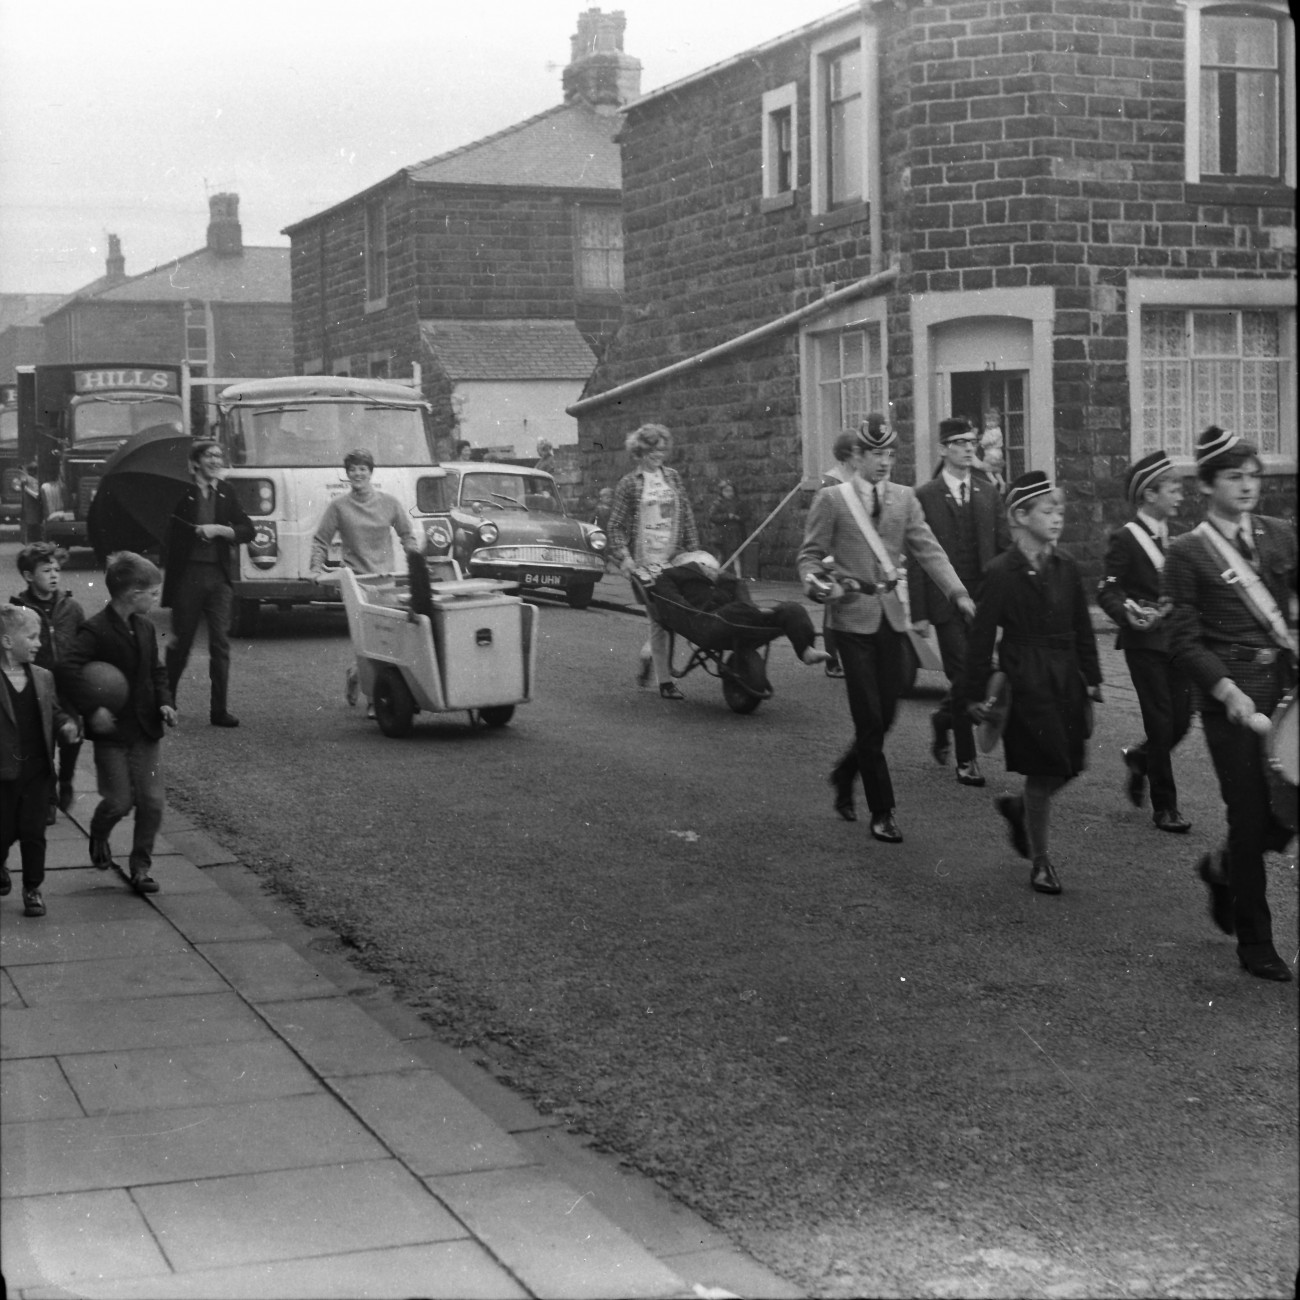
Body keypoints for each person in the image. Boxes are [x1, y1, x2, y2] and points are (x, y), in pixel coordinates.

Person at [797, 416, 976, 844]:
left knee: (887, 714)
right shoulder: (833, 500)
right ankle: (883, 810)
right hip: (852, 621)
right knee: (868, 716)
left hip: (892, 619)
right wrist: (818, 584)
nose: (884, 462)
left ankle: (844, 773)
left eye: (890, 453)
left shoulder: (905, 498)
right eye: (876, 453)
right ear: (856, 456)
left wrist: (959, 594)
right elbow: (809, 556)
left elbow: (929, 551)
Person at [1164, 426, 1297, 983]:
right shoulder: (1187, 552)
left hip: (1288, 699)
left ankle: (1221, 869)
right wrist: (1227, 691)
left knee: (1288, 816)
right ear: (1207, 485)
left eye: (1253, 477)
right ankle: (1255, 940)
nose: (1247, 487)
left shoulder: (1282, 533)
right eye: (1233, 477)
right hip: (1232, 703)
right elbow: (1184, 640)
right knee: (1246, 816)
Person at [962, 473, 1103, 895]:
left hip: (1066, 679)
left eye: (1060, 510)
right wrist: (973, 693)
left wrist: (1093, 678)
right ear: (1020, 517)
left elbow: (1082, 627)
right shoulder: (1001, 572)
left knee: (1071, 762)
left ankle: (1021, 806)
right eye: (1047, 510)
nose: (1057, 518)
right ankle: (1041, 861)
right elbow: (982, 636)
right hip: (1026, 681)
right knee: (1045, 768)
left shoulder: (1067, 567)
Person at [61, 552, 177, 896]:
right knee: (118, 802)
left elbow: (156, 670)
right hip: (112, 732)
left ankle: (140, 868)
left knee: (153, 802)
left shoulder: (144, 626)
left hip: (145, 729)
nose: (156, 599)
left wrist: (166, 702)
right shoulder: (95, 630)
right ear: (131, 593)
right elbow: (65, 667)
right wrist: (92, 706)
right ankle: (98, 832)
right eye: (152, 593)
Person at [909, 417, 1011, 789]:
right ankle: (967, 760)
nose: (970, 448)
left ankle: (943, 720)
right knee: (963, 675)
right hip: (944, 602)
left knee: (980, 671)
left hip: (982, 601)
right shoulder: (925, 496)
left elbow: (1003, 549)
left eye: (973, 442)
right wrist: (919, 614)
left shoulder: (988, 492)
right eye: (960, 442)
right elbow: (918, 558)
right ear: (942, 449)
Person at [1096, 450, 1193, 833]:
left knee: (1182, 723)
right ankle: (1165, 807)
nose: (1180, 496)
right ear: (1149, 495)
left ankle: (1139, 758)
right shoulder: (1126, 538)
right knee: (1160, 721)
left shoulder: (1178, 537)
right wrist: (1127, 614)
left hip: (1178, 643)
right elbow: (1107, 591)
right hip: (1144, 643)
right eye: (1173, 489)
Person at [310, 448, 423, 711]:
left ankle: (356, 674)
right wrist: (316, 568)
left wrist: (415, 560)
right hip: (356, 582)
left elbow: (407, 535)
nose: (357, 473)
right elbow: (320, 540)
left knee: (387, 639)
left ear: (371, 472)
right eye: (352, 469)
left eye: (363, 469)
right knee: (369, 639)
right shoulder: (338, 506)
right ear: (347, 474)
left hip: (385, 580)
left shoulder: (389, 503)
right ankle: (376, 701)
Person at [161, 440, 255, 728]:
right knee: (182, 642)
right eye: (209, 456)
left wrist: (221, 530)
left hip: (219, 579)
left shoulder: (227, 492)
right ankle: (168, 701)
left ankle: (219, 710)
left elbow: (247, 529)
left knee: (220, 643)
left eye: (219, 455)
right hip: (188, 576)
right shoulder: (181, 493)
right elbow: (169, 533)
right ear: (196, 463)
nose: (216, 460)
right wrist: (191, 532)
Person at [607, 423, 701, 700]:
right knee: (661, 618)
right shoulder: (629, 483)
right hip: (645, 563)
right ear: (640, 451)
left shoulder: (672, 477)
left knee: (670, 616)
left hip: (673, 557)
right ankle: (666, 682)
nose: (658, 455)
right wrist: (625, 559)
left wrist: (695, 553)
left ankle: (650, 654)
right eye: (652, 450)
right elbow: (615, 526)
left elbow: (687, 517)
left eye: (662, 450)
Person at [1, 606, 78, 918]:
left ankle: (32, 888)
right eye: (31, 637)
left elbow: (54, 710)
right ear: (7, 642)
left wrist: (65, 724)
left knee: (34, 832)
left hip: (37, 771)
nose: (38, 644)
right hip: (3, 773)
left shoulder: (43, 677)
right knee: (3, 831)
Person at [11, 542, 86, 819]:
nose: (54, 575)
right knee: (42, 745)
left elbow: (85, 642)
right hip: (35, 687)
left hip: (68, 685)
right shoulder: (17, 609)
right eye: (46, 570)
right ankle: (49, 797)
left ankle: (66, 780)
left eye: (56, 569)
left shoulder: (72, 607)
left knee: (72, 737)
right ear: (29, 576)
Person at [652, 551, 831, 667]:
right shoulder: (672, 575)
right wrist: (692, 613)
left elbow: (742, 595)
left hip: (739, 619)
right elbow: (672, 599)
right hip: (706, 621)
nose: (710, 570)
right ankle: (756, 614)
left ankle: (806, 650)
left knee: (793, 608)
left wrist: (749, 606)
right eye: (703, 565)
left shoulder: (727, 580)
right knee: (736, 610)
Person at [816, 432, 862, 679]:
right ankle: (832, 661)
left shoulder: (859, 478)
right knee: (834, 605)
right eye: (857, 452)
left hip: (857, 549)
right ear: (846, 455)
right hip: (834, 551)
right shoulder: (831, 481)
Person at [708, 481, 750, 580]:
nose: (729, 493)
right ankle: (716, 575)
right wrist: (726, 516)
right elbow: (712, 516)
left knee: (736, 554)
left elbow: (747, 515)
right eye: (726, 491)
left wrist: (738, 517)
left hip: (735, 533)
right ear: (721, 492)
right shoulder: (717, 503)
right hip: (721, 533)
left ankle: (738, 576)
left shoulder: (739, 503)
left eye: (731, 491)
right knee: (720, 555)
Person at [976, 408, 1007, 493]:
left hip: (992, 452)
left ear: (997, 422)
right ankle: (1002, 483)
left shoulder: (996, 431)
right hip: (996, 453)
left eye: (993, 421)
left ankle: (993, 481)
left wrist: (982, 442)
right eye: (988, 421)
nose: (990, 423)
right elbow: (986, 436)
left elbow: (991, 440)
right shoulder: (990, 430)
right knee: (996, 470)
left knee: (987, 469)